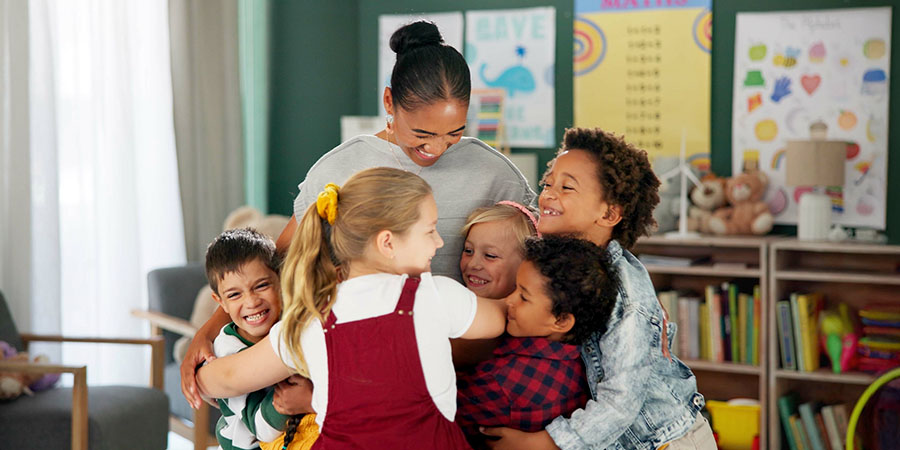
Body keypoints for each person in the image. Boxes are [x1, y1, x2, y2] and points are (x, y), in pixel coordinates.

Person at [182, 20, 534, 411]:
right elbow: (275, 265)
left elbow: (538, 268)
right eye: (422, 134)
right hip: (361, 370)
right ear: (388, 102)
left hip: (470, 372)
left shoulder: (496, 175)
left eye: (454, 133)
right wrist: (210, 330)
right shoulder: (341, 169)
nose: (438, 148)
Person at [196, 168, 507, 449]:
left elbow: (229, 378)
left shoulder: (308, 320)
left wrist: (197, 374)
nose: (439, 243)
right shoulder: (434, 295)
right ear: (387, 243)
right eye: (430, 230)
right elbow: (502, 318)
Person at [482, 128, 715, 450]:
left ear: (608, 213)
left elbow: (620, 401)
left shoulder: (627, 298)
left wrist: (542, 443)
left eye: (566, 188)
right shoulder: (559, 259)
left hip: (665, 442)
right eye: (548, 184)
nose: (548, 194)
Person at [456, 236, 618, 449]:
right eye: (515, 288)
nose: (509, 300)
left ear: (561, 321)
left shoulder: (500, 379)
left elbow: (443, 416)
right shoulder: (582, 363)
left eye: (523, 296)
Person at [204, 228, 308, 450]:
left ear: (280, 281)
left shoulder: (289, 322)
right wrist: (288, 402)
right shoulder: (227, 350)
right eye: (234, 295)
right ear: (220, 301)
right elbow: (260, 428)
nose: (252, 302)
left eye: (261, 286)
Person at [453, 201, 539, 367]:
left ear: (525, 264)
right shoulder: (458, 299)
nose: (473, 264)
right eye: (468, 251)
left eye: (490, 255)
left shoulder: (515, 322)